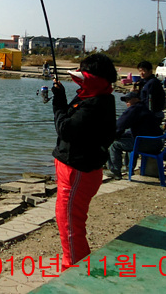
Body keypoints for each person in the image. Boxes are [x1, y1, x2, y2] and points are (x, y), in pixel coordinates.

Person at [51, 53, 117, 271]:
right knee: (67, 220)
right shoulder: (93, 97)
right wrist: (61, 95)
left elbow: (65, 129)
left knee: (70, 224)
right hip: (74, 170)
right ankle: (75, 265)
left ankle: (74, 272)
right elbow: (71, 120)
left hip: (77, 173)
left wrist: (58, 102)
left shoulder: (96, 103)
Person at [106, 92, 163, 179]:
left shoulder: (134, 109)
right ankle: (129, 168)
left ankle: (115, 171)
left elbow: (120, 125)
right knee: (129, 139)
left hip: (146, 144)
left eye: (128, 99)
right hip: (156, 143)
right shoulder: (145, 109)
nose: (127, 102)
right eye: (125, 100)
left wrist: (112, 136)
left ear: (137, 99)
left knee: (113, 145)